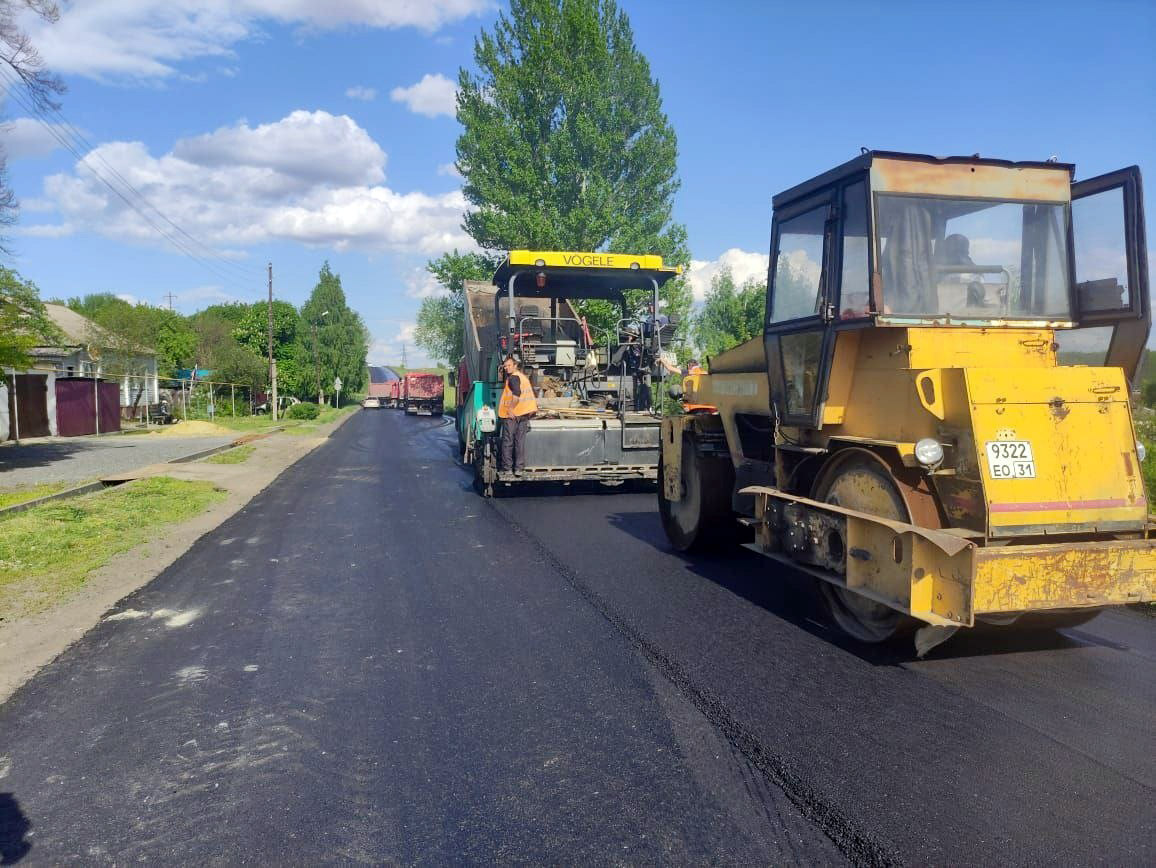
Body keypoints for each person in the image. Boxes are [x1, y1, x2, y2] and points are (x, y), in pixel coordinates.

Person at [498, 353, 537, 477]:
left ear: (515, 365)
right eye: (505, 366)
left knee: (508, 441)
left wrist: (510, 409)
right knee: (520, 441)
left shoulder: (513, 378)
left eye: (509, 365)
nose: (506, 368)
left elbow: (517, 395)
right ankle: (519, 469)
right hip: (524, 414)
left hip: (513, 415)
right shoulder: (523, 377)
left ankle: (507, 468)